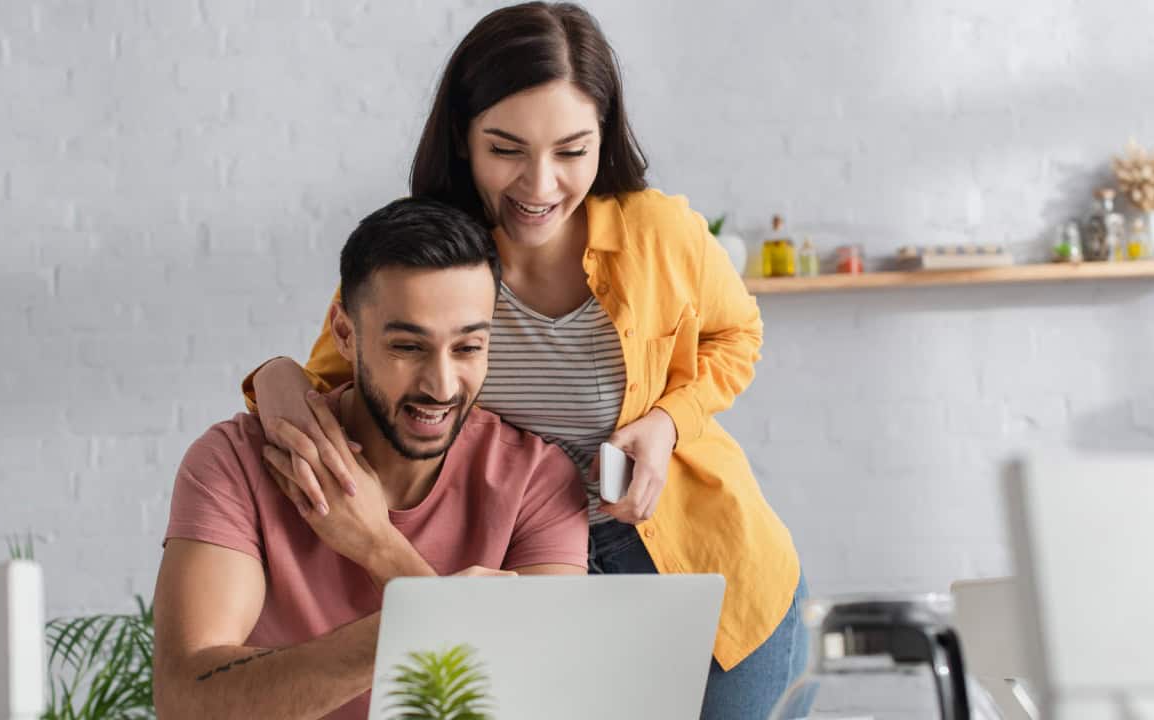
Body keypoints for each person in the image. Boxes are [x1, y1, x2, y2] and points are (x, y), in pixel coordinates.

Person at [247, 3, 808, 717]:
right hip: (520, 572)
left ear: (604, 135)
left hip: (702, 572)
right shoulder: (429, 257)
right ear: (463, 137)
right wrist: (272, 379)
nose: (540, 186)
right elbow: (335, 377)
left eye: (572, 152)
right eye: (506, 149)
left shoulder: (659, 232)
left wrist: (668, 423)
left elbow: (738, 337)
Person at [154, 198, 588, 720]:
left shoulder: (537, 481)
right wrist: (430, 618)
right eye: (408, 347)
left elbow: (539, 701)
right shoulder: (234, 463)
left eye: (469, 348)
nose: (442, 385)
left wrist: (380, 548)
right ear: (344, 333)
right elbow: (187, 700)